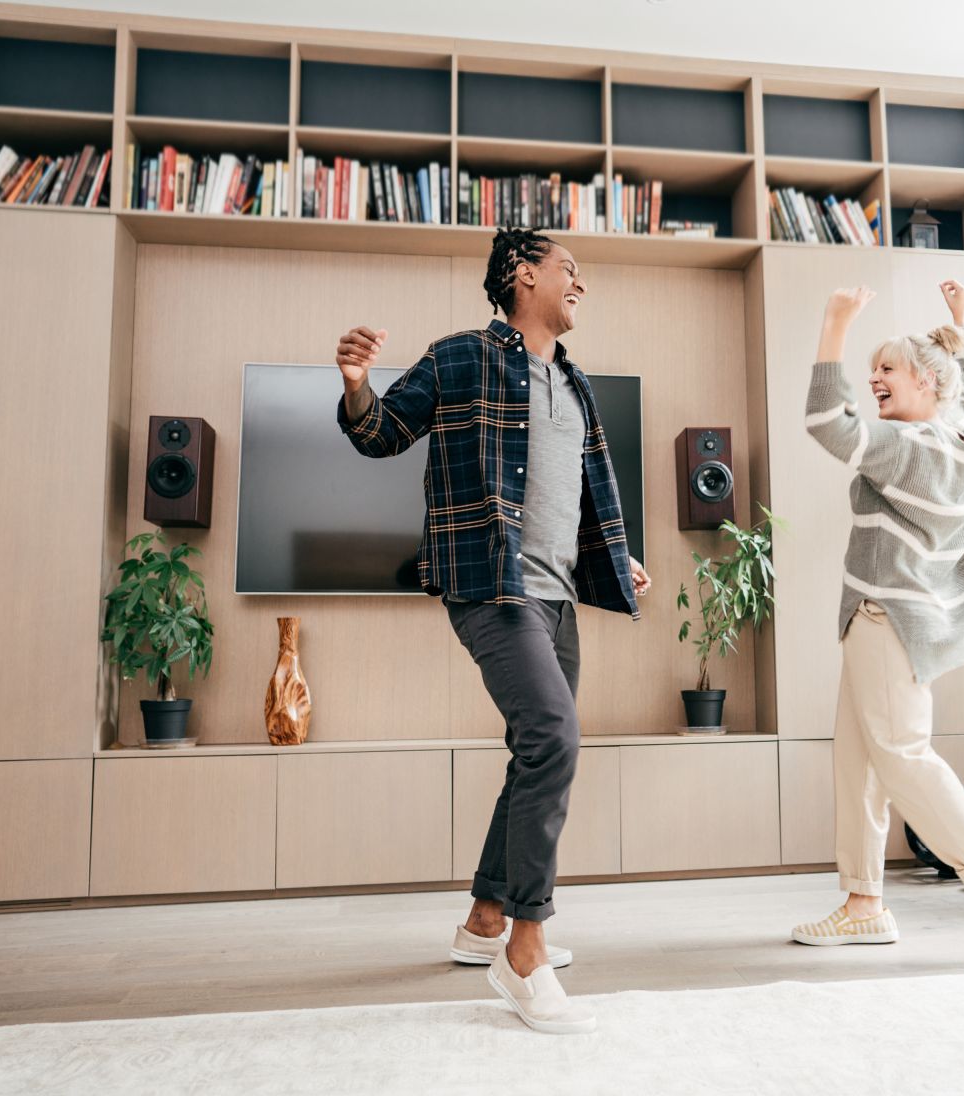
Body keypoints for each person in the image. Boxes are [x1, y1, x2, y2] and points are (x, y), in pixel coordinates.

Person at [334, 226, 651, 1033]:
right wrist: (356, 384)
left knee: (532, 749)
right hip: (490, 588)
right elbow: (381, 435)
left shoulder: (574, 387)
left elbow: (574, 500)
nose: (580, 283)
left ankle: (483, 919)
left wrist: (618, 559)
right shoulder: (461, 357)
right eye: (567, 269)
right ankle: (525, 950)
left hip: (555, 599)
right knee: (555, 738)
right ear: (520, 272)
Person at [789, 280, 964, 966]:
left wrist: (835, 322)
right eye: (871, 367)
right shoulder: (962, 435)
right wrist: (962, 325)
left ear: (922, 381)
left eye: (887, 368)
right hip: (886, 620)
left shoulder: (906, 448)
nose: (873, 378)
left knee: (904, 758)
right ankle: (864, 906)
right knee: (859, 762)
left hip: (888, 619)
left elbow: (828, 423)